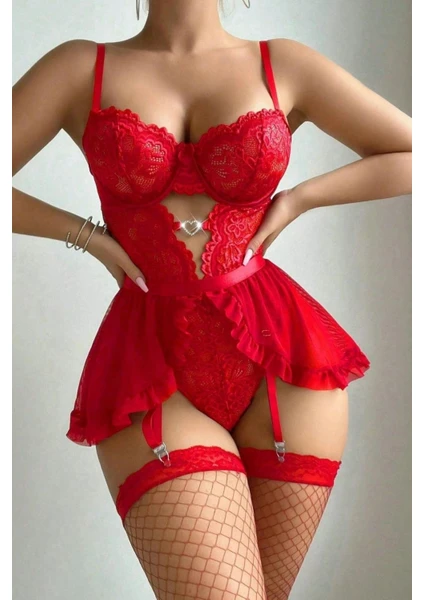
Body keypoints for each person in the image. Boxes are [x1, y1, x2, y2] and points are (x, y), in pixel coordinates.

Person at [12, 0, 412, 598]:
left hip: (283, 363)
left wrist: (299, 199)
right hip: (152, 369)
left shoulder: (282, 64)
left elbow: (409, 151)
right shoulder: (79, 69)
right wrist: (86, 236)